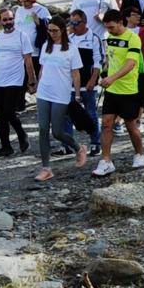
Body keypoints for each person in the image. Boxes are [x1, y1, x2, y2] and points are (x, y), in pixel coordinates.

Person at [93, 10, 144, 176]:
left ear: (120, 22)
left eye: (111, 27)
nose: (109, 30)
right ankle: (106, 160)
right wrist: (105, 73)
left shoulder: (133, 39)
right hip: (112, 90)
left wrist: (112, 78)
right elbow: (110, 59)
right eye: (107, 27)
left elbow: (131, 63)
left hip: (129, 89)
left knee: (131, 125)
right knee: (107, 123)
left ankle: (140, 155)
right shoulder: (109, 38)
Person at [33, 17, 88, 182]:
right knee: (43, 129)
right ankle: (46, 167)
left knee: (57, 131)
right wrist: (37, 84)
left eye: (55, 30)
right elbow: (42, 68)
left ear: (63, 30)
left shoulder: (71, 49)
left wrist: (77, 94)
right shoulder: (45, 46)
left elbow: (76, 74)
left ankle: (78, 148)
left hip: (61, 93)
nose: (52, 34)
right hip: (44, 92)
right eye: (49, 30)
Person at [0, 9, 36, 156]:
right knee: (0, 115)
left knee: (8, 110)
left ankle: (21, 134)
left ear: (14, 19)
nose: (8, 22)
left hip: (15, 79)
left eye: (10, 19)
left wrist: (31, 79)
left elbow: (28, 59)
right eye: (5, 20)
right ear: (0, 21)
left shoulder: (21, 36)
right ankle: (5, 146)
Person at [67, 10, 106, 156]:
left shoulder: (94, 38)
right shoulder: (69, 38)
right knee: (68, 114)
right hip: (70, 84)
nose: (74, 26)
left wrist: (93, 79)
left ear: (84, 22)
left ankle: (96, 143)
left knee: (91, 113)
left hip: (88, 83)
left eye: (77, 23)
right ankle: (68, 145)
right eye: (72, 22)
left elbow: (99, 61)